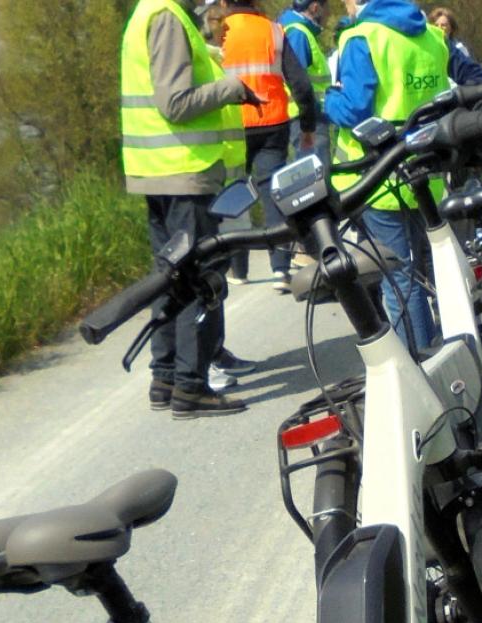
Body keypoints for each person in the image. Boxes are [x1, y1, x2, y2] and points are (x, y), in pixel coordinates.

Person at [120, 0, 260, 418]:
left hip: (159, 170)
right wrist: (231, 88)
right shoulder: (166, 16)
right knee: (199, 280)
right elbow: (175, 103)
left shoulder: (148, 12)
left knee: (169, 280)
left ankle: (165, 378)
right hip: (184, 170)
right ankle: (191, 386)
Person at [325, 0, 450, 353]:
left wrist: (327, 100)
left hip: (378, 175)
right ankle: (448, 351)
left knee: (399, 279)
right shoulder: (431, 37)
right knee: (425, 271)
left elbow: (354, 109)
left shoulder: (361, 37)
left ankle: (420, 365)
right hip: (426, 169)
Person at [219, 0, 320, 293]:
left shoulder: (219, 32)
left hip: (233, 124)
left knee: (235, 192)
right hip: (272, 121)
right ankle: (280, 269)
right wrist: (308, 125)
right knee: (273, 193)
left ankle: (238, 270)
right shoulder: (274, 31)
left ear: (225, 3)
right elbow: (300, 84)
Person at [279, 0, 334, 162]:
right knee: (315, 177)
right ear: (315, 8)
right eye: (327, 8)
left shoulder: (298, 31)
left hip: (306, 116)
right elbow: (297, 81)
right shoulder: (298, 33)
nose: (329, 14)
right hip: (307, 119)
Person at [429, 7, 482, 87]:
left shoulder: (459, 49)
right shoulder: (429, 50)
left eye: (443, 25)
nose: (439, 28)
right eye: (436, 25)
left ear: (451, 28)